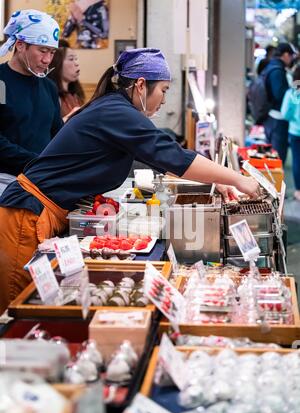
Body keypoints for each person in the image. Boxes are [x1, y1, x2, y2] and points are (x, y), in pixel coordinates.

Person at [0, 48, 260, 314]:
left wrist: (220, 180)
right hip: (26, 215)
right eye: (164, 90)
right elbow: (173, 155)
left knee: (35, 308)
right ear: (140, 85)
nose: (163, 100)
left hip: (42, 213)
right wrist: (238, 179)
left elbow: (164, 160)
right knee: (16, 309)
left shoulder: (116, 109)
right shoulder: (116, 111)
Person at [0, 9, 63, 195]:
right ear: (20, 45)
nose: (47, 60)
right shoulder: (1, 82)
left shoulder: (49, 87)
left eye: (52, 52)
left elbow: (57, 134)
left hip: (42, 179)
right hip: (6, 179)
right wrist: (36, 160)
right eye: (42, 51)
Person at [262, 43, 295, 163]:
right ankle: (275, 182)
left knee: (274, 156)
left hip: (271, 117)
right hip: (277, 118)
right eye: (291, 56)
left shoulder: (271, 67)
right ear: (286, 55)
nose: (291, 59)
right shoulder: (278, 71)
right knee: (278, 158)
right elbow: (280, 95)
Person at [48, 39, 85, 118]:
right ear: (57, 63)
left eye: (76, 59)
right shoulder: (50, 95)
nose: (76, 63)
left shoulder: (75, 94)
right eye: (71, 59)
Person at [281, 65, 300, 201]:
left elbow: (285, 113)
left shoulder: (292, 93)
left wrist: (294, 118)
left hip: (295, 131)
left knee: (297, 160)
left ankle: (299, 191)